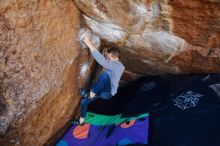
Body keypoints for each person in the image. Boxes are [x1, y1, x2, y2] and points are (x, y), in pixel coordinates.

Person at [73, 32, 125, 126]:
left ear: (115, 57)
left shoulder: (119, 66)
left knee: (104, 75)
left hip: (108, 92)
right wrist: (106, 57)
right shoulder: (113, 65)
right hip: (103, 91)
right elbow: (107, 63)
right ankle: (81, 120)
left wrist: (89, 43)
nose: (108, 59)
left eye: (109, 58)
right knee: (84, 101)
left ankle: (91, 93)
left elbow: (104, 63)